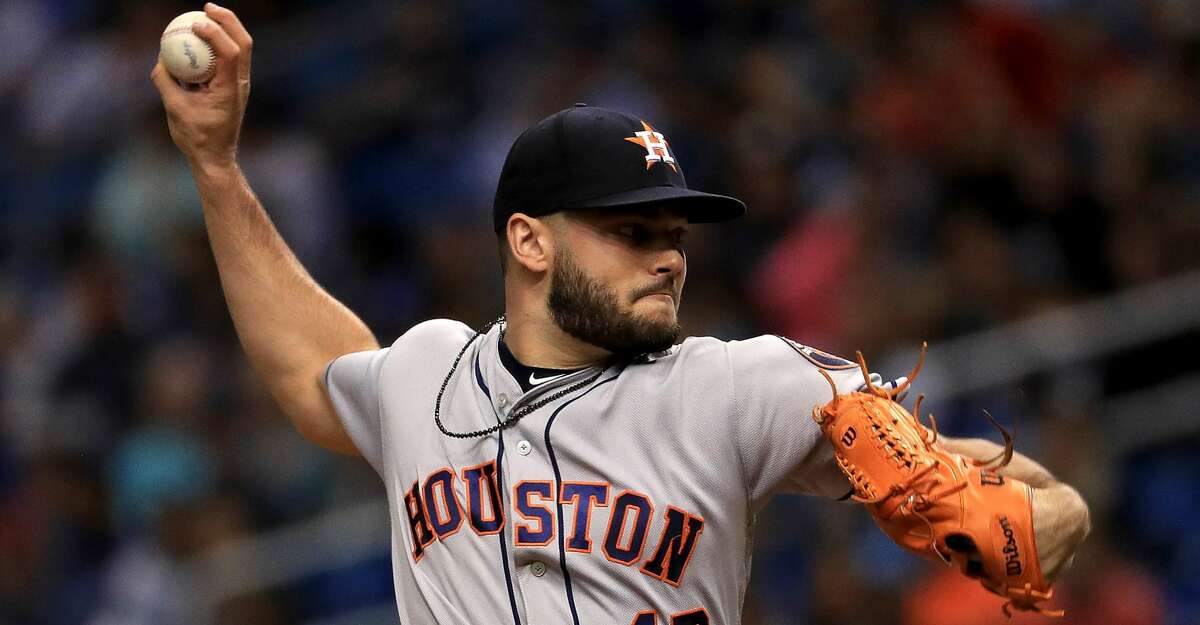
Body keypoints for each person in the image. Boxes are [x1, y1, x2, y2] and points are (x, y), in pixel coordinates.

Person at [151, 5, 1090, 623]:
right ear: (529, 242)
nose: (669, 255)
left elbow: (1035, 511)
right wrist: (217, 168)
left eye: (674, 231)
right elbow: (312, 373)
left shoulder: (739, 387)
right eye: (631, 231)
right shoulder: (426, 372)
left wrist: (1033, 512)